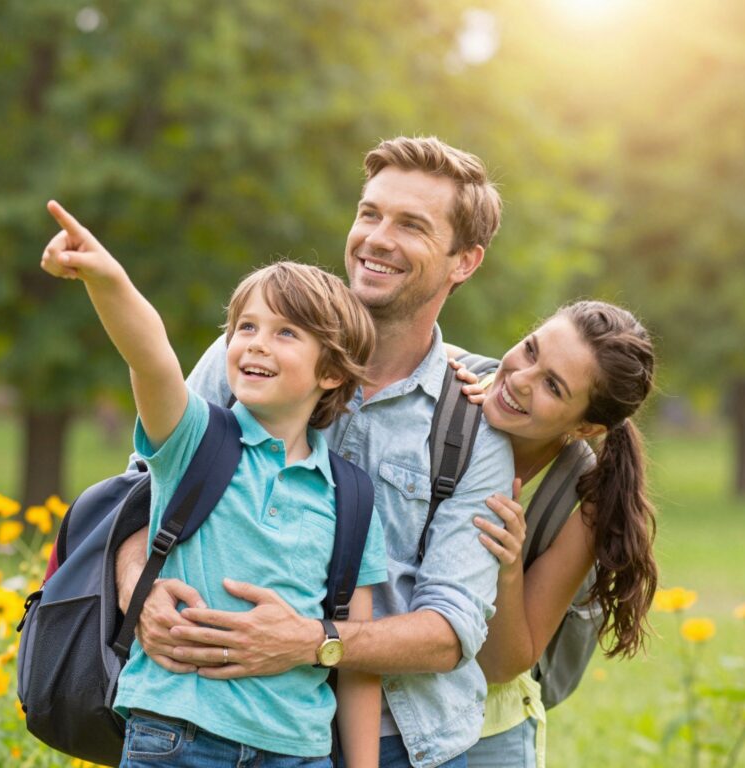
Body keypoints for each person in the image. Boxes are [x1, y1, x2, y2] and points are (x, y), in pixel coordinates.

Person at [116, 136, 516, 768]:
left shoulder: (473, 422)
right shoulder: (248, 361)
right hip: (208, 713)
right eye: (369, 213)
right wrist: (139, 592)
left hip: (397, 739)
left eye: (410, 224)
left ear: (463, 261)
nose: (376, 238)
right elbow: (139, 497)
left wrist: (308, 643)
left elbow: (453, 629)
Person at [39, 201, 388, 768]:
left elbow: (356, 657)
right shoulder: (195, 438)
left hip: (297, 752)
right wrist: (107, 278)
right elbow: (150, 358)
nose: (256, 343)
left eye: (286, 333)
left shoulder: (351, 497)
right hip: (176, 738)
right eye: (245, 327)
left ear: (330, 373)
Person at [448, 300, 658, 768]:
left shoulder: (584, 500)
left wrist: (507, 569)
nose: (520, 379)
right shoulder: (445, 380)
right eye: (529, 350)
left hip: (486, 724)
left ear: (585, 426)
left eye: (552, 385)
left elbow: (507, 663)